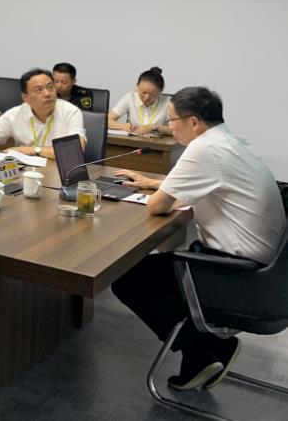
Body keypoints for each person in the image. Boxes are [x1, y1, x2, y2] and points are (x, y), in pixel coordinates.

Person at [111, 87, 286, 391]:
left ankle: (199, 353)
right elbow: (208, 184)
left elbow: (157, 207)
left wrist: (159, 193)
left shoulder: (204, 149)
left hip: (243, 277)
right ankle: (216, 346)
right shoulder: (232, 142)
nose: (169, 127)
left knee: (128, 278)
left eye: (171, 120)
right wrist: (154, 182)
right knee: (155, 270)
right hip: (272, 274)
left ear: (193, 122)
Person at [0, 68, 86, 159]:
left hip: (58, 173)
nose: (47, 94)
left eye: (50, 87)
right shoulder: (15, 114)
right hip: (23, 171)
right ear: (25, 97)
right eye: (39, 90)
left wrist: (33, 150)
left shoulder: (71, 112)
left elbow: (75, 151)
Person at [109, 66, 171, 136]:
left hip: (158, 142)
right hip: (133, 140)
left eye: (152, 95)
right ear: (137, 86)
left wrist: (155, 127)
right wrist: (122, 126)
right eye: (143, 92)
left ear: (160, 92)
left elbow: (177, 129)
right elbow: (107, 120)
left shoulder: (169, 103)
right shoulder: (130, 98)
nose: (146, 97)